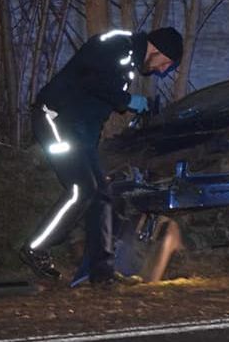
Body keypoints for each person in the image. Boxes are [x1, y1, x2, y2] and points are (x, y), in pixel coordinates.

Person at [20, 27, 183, 279]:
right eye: (167, 63)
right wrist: (127, 100)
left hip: (76, 131)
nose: (163, 70)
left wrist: (91, 143)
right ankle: (35, 248)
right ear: (157, 50)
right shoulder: (115, 45)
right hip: (53, 118)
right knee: (81, 188)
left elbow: (95, 108)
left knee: (101, 193)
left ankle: (101, 272)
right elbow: (91, 80)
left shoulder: (127, 65)